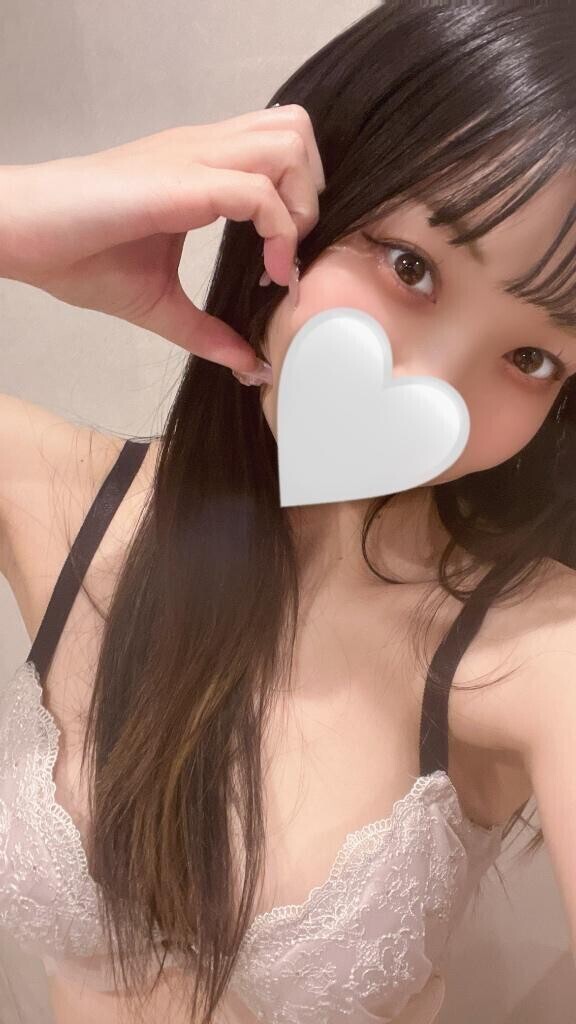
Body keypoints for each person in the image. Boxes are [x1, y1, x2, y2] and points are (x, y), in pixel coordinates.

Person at [0, 2, 575, 1022]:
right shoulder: (54, 495)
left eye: (532, 357)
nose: (434, 391)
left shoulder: (533, 650)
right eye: (410, 266)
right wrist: (14, 214)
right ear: (299, 214)